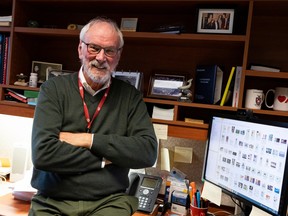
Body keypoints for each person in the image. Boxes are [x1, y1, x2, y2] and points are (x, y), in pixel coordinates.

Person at [29, 17, 158, 216]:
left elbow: (147, 152)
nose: (100, 57)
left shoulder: (130, 96)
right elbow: (43, 153)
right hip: (52, 201)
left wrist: (88, 140)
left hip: (108, 202)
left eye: (109, 50)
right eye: (94, 48)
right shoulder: (53, 89)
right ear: (80, 49)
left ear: (118, 55)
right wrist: (105, 159)